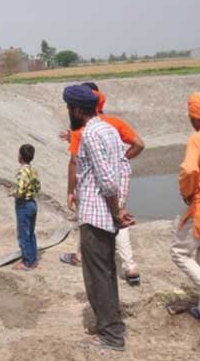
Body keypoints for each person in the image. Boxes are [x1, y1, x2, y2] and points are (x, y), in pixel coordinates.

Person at [63, 84, 135, 352]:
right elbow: (124, 169)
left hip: (96, 216)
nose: (69, 112)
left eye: (69, 108)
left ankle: (111, 336)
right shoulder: (109, 129)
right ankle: (112, 325)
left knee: (98, 277)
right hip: (107, 216)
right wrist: (121, 208)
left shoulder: (90, 133)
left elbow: (106, 180)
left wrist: (117, 210)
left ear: (78, 110)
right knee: (106, 272)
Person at [60, 84, 145, 285]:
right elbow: (140, 144)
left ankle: (83, 257)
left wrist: (71, 190)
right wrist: (121, 160)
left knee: (90, 223)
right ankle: (129, 266)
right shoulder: (115, 124)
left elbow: (74, 161)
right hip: (119, 182)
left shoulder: (84, 130)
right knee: (120, 220)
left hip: (94, 189)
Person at [170, 92, 200, 330]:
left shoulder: (198, 138)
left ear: (195, 117)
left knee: (179, 252)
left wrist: (186, 192)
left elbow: (188, 170)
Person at [9, 144, 41, 270]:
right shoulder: (33, 170)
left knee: (23, 234)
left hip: (24, 204)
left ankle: (26, 262)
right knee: (31, 233)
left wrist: (13, 193)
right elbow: (38, 187)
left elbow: (21, 190)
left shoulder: (22, 171)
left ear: (20, 157)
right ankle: (32, 259)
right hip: (32, 203)